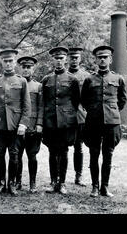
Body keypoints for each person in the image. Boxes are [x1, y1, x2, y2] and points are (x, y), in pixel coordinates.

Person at [81, 45, 127, 197]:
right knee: (94, 154)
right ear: (95, 60)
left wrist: (111, 112)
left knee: (108, 154)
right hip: (93, 122)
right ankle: (94, 186)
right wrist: (95, 111)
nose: (102, 59)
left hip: (112, 122)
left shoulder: (118, 78)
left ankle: (104, 187)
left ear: (110, 59)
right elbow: (84, 100)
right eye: (99, 57)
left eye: (105, 57)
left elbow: (122, 100)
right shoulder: (89, 79)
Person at [0, 49, 31, 196]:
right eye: (5, 61)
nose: (8, 64)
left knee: (14, 155)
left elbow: (26, 106)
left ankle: (11, 184)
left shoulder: (21, 81)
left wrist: (23, 124)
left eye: (11, 61)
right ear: (2, 62)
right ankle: (1, 183)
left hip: (15, 126)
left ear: (15, 62)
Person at [42, 46, 80, 195]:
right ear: (53, 60)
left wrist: (68, 115)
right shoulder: (46, 79)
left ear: (66, 59)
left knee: (64, 152)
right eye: (56, 58)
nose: (59, 61)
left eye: (61, 58)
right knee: (52, 152)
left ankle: (62, 182)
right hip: (50, 121)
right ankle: (53, 182)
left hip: (66, 122)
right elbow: (44, 101)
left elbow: (76, 101)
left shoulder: (72, 79)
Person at [15, 56, 43, 193]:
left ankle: (32, 183)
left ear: (33, 68)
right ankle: (18, 181)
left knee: (32, 156)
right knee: (17, 155)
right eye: (24, 67)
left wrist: (39, 124)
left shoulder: (38, 86)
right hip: (18, 126)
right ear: (20, 68)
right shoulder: (16, 84)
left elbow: (41, 107)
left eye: (29, 67)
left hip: (32, 126)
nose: (26, 70)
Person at [67, 47, 91, 186]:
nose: (74, 60)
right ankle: (59, 175)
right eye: (71, 57)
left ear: (80, 59)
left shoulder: (86, 76)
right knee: (61, 147)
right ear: (67, 59)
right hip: (64, 116)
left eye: (76, 57)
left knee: (79, 147)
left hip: (80, 116)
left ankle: (78, 176)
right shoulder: (61, 75)